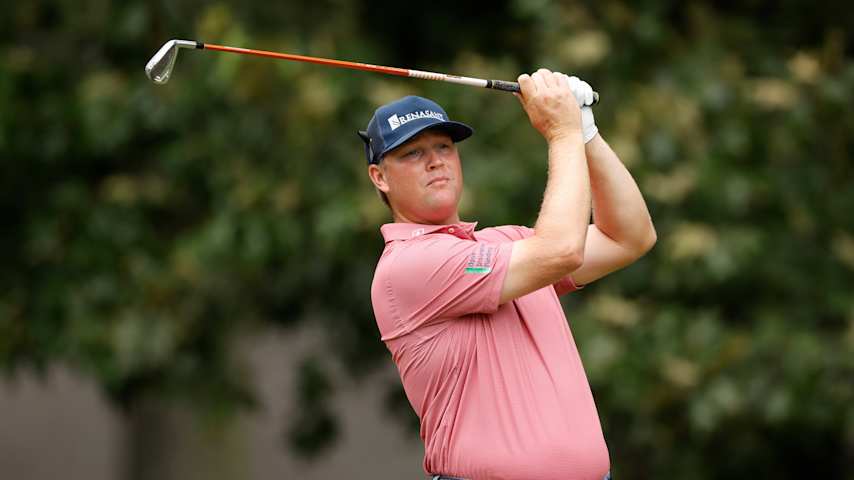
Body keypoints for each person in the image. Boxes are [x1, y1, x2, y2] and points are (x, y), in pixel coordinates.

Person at [358, 69, 656, 480]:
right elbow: (561, 250)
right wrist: (562, 133)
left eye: (444, 147)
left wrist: (586, 133)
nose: (434, 161)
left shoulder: (506, 243)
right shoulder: (407, 266)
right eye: (411, 153)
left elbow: (629, 237)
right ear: (380, 177)